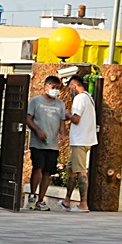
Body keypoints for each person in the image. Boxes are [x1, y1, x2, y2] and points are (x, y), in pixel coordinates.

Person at [25, 73, 68, 212]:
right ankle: (32, 195)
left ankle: (41, 200)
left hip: (52, 144)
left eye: (57, 88)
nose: (55, 90)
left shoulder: (60, 104)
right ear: (45, 87)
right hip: (38, 143)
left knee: (47, 172)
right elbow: (28, 118)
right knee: (38, 168)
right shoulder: (35, 101)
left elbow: (62, 121)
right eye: (53, 87)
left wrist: (63, 134)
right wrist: (37, 131)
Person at [64, 74, 97, 212]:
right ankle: (67, 200)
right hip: (86, 138)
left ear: (74, 85)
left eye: (70, 87)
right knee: (71, 169)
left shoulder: (79, 98)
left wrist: (67, 115)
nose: (70, 90)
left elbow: (76, 119)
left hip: (80, 140)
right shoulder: (89, 98)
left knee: (81, 171)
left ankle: (83, 203)